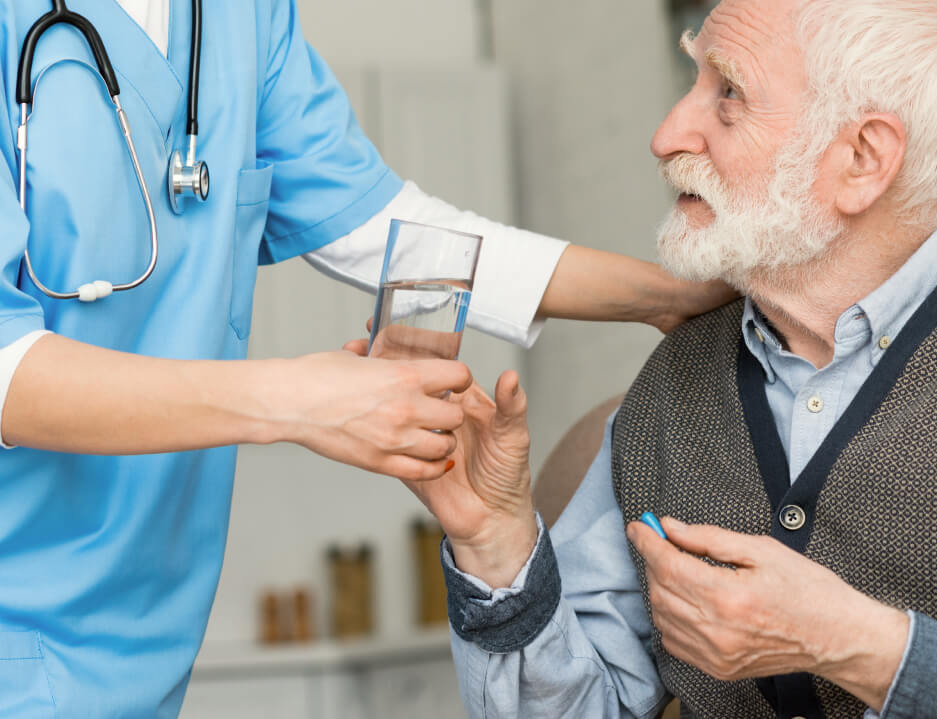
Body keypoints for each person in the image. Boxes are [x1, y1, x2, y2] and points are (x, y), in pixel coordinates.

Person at [0, 1, 732, 716]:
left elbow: (382, 226)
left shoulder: (243, 18)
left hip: (144, 631)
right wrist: (301, 400)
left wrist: (661, 296)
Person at [415, 0, 937, 717]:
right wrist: (496, 546)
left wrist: (859, 645)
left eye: (728, 93)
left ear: (862, 159)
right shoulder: (674, 382)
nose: (667, 137)